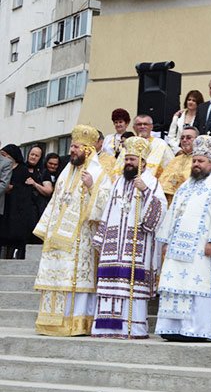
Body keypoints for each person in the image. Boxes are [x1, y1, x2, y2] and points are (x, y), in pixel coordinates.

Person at [32, 125, 112, 336]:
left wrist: (92, 186)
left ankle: (75, 323)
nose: (72, 150)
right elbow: (55, 202)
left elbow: (106, 203)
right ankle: (50, 322)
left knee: (74, 275)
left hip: (81, 237)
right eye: (72, 146)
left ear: (87, 149)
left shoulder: (98, 173)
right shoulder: (65, 172)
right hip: (57, 238)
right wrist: (47, 229)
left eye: (76, 147)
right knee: (56, 275)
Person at [156, 135, 211, 341]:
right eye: (195, 160)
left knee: (199, 285)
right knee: (176, 284)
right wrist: (166, 241)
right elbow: (173, 213)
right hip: (177, 248)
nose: (196, 164)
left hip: (201, 248)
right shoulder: (185, 186)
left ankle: (197, 330)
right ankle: (172, 328)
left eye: (201, 161)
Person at [91, 137, 166, 339]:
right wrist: (101, 237)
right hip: (113, 245)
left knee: (131, 286)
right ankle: (106, 327)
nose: (129, 163)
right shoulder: (118, 182)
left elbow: (160, 211)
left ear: (143, 162)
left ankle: (132, 328)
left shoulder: (151, 182)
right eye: (127, 159)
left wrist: (145, 191)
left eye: (133, 159)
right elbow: (108, 209)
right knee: (111, 286)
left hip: (136, 245)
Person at [0, 145, 36, 259]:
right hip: (4, 203)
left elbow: (25, 189)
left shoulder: (22, 169)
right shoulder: (4, 167)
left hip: (15, 207)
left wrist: (13, 187)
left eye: (6, 155)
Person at [113, 114, 174, 180]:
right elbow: (118, 168)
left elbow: (171, 167)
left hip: (153, 183)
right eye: (139, 124)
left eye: (145, 124)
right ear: (134, 127)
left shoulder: (161, 144)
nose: (142, 126)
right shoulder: (129, 143)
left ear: (151, 127)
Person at [159, 126, 198, 205]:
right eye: (182, 138)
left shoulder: (199, 161)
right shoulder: (175, 160)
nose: (184, 140)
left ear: (197, 140)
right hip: (170, 201)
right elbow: (162, 181)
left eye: (188, 138)